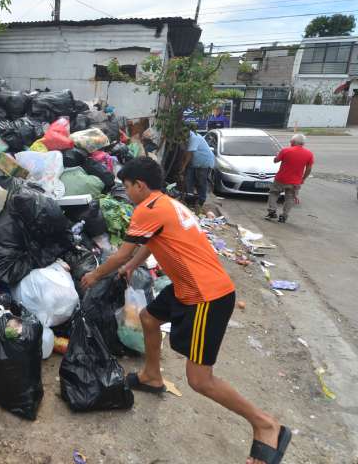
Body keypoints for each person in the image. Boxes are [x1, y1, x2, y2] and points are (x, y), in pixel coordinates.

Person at [81, 157, 290, 464]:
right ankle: (152, 376)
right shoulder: (166, 203)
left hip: (208, 296)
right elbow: (153, 242)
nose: (126, 193)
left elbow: (120, 252)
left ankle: (265, 424)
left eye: (127, 187)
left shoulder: (148, 209)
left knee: (200, 379)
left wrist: (95, 275)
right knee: (148, 318)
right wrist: (132, 266)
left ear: (139, 185)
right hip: (185, 286)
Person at [266, 133, 314, 223]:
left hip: (281, 179)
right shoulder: (309, 154)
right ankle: (283, 216)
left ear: (293, 142)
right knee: (290, 198)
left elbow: (275, 161)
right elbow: (309, 169)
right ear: (303, 143)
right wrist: (303, 179)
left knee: (273, 193)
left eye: (291, 141)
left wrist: (277, 155)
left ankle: (272, 211)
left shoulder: (285, 150)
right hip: (295, 182)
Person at [180, 124, 215, 209]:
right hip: (195, 163)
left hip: (204, 162)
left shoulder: (194, 137)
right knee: (189, 180)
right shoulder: (187, 138)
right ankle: (190, 199)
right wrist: (183, 163)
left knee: (201, 182)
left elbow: (189, 154)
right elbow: (186, 151)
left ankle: (200, 201)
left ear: (188, 131)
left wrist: (183, 166)